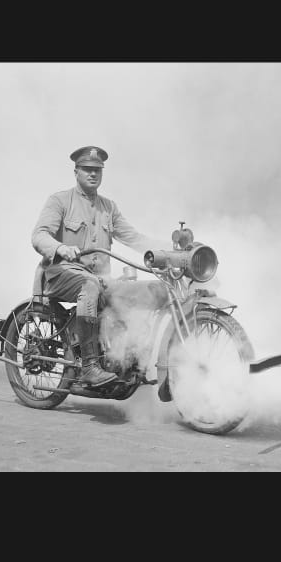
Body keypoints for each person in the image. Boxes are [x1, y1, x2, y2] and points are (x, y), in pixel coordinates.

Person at [32, 146, 166, 387]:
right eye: (87, 169)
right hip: (63, 274)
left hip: (102, 280)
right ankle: (89, 367)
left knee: (153, 290)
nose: (93, 174)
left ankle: (132, 359)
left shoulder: (109, 207)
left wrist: (167, 251)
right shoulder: (60, 201)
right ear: (76, 172)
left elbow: (133, 237)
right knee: (90, 285)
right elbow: (39, 235)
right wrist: (60, 248)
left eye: (97, 170)